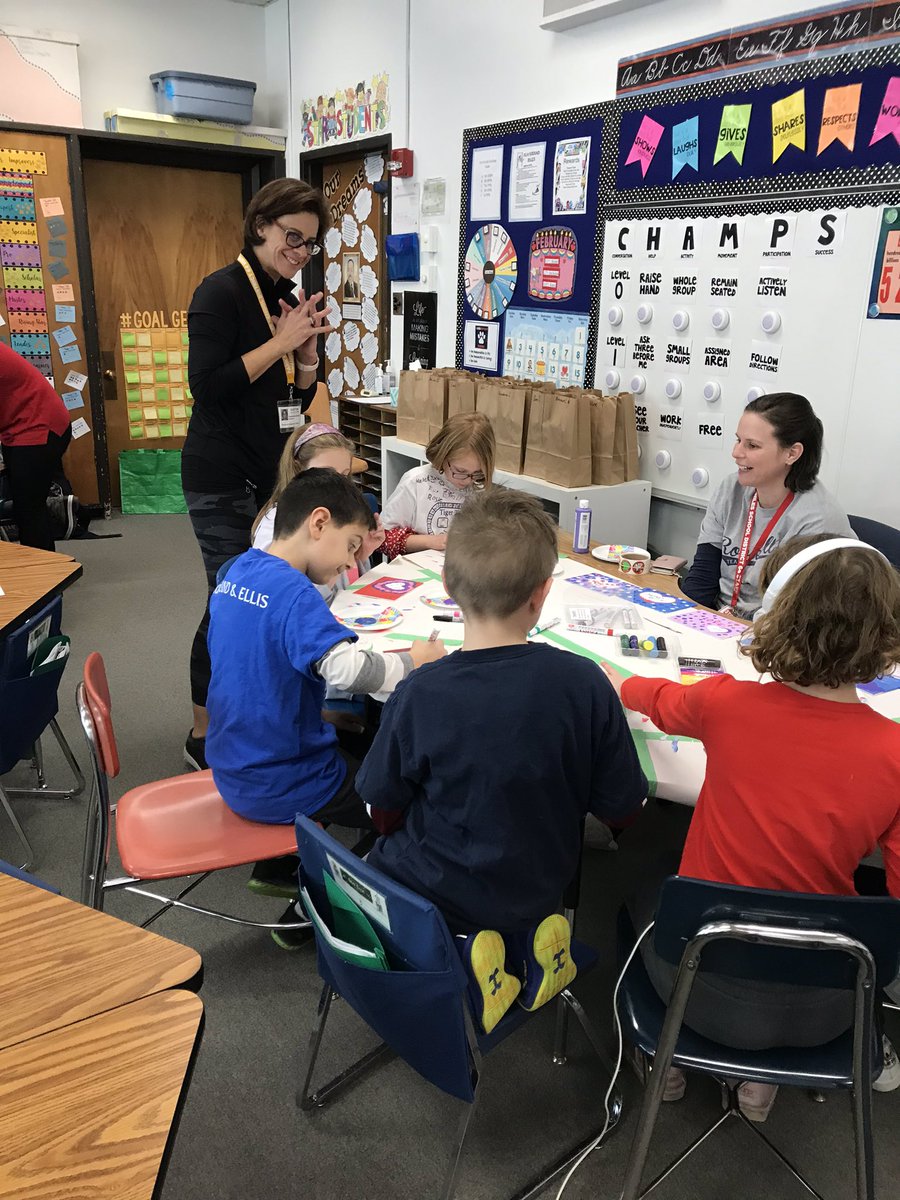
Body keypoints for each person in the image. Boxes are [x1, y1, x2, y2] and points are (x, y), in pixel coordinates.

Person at [603, 534, 900, 1120]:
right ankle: (760, 1086)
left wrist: (613, 681)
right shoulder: (894, 751)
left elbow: (642, 694)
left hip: (700, 992)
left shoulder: (727, 703)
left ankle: (668, 1067)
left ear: (778, 614)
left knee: (638, 892)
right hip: (832, 1006)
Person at [358, 489, 647, 1031]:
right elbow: (622, 809)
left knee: (384, 854)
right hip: (541, 879)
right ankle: (527, 943)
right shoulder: (584, 683)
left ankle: (471, 950)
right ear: (542, 595)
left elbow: (381, 807)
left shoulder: (420, 692)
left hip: (434, 886)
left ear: (447, 586)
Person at [205, 469, 445, 947]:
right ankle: (316, 905)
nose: (351, 561)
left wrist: (319, 714)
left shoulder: (238, 570)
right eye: (351, 544)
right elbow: (346, 670)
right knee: (416, 810)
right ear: (319, 523)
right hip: (283, 780)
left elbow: (254, 667)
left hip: (232, 763)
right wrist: (413, 661)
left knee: (366, 740)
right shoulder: (296, 593)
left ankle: (292, 860)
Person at [181, 178, 336, 772]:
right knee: (227, 599)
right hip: (218, 472)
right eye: (291, 238)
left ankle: (256, 715)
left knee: (260, 596)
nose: (298, 252)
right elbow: (208, 388)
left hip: (263, 472)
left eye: (309, 244)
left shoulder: (283, 294)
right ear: (260, 227)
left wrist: (303, 361)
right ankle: (201, 733)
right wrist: (281, 342)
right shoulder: (220, 292)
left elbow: (290, 409)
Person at [681, 392, 854, 618]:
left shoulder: (818, 519)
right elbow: (703, 577)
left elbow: (794, 616)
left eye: (752, 445)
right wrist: (682, 620)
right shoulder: (731, 488)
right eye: (738, 440)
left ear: (792, 453)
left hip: (772, 633)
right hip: (720, 620)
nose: (736, 453)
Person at [251, 425, 385, 585]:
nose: (338, 484)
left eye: (344, 474)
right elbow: (283, 591)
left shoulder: (340, 517)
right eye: (326, 472)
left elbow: (348, 590)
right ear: (298, 468)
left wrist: (360, 554)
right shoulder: (275, 527)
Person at [380, 411, 496, 559]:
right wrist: (430, 541)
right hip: (418, 571)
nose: (467, 480)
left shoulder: (480, 488)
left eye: (478, 472)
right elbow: (382, 540)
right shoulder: (416, 482)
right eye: (460, 471)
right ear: (442, 455)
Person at [0, 342, 71, 551]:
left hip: (39, 426)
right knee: (28, 507)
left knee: (28, 508)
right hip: (16, 427)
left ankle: (44, 574)